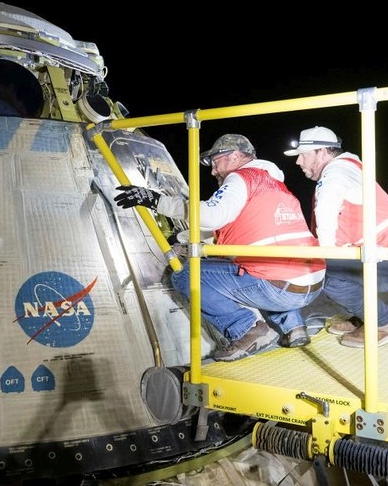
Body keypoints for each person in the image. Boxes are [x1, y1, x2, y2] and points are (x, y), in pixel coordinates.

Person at [114, 134, 325, 361]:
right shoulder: (273, 184)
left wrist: (156, 201)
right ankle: (294, 329)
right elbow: (226, 229)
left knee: (187, 275)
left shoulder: (241, 177)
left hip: (279, 286)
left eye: (216, 162)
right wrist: (183, 238)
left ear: (235, 156)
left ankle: (245, 329)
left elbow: (213, 216)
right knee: (265, 267)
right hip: (311, 282)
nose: (213, 171)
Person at [283, 126, 388, 347]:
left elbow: (326, 208)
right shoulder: (348, 168)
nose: (298, 162)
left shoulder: (337, 172)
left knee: (326, 275)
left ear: (322, 152)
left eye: (303, 155)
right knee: (332, 270)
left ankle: (384, 323)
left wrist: (324, 254)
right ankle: (365, 318)